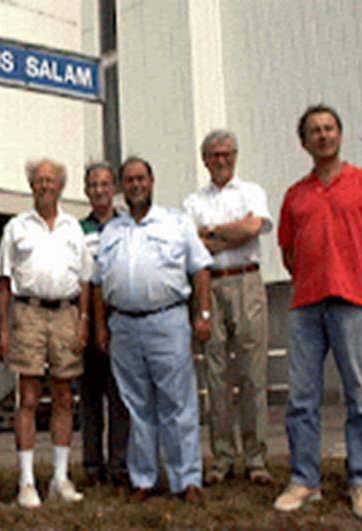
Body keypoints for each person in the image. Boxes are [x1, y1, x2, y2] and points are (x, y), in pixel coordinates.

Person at [274, 105, 362, 520]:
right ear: (304, 142)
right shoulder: (295, 194)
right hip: (306, 306)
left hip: (355, 304)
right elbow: (289, 252)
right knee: (302, 398)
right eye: (314, 131)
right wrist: (315, 277)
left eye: (329, 128)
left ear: (340, 135)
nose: (323, 136)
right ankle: (304, 479)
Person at [94, 156, 213, 506]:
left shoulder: (176, 222)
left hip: (168, 321)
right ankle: (143, 478)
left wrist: (202, 314)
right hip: (125, 326)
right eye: (128, 180)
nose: (135, 185)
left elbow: (201, 268)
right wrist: (101, 325)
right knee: (137, 406)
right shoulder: (111, 231)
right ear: (121, 187)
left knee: (178, 404)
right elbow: (99, 283)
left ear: (151, 181)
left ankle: (187, 479)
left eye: (140, 179)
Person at [0, 158, 93, 508]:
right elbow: (4, 281)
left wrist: (83, 320)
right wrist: (4, 328)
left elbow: (84, 279)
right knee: (29, 398)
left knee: (65, 397)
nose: (45, 186)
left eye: (51, 180)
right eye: (39, 180)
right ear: (31, 185)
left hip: (66, 314)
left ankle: (60, 478)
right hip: (29, 313)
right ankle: (26, 482)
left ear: (61, 186)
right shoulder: (16, 227)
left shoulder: (72, 227)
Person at [183, 130, 273, 486]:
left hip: (247, 282)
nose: (221, 160)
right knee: (216, 374)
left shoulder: (252, 192)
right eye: (214, 154)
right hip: (209, 286)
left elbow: (253, 228)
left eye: (227, 153)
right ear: (204, 159)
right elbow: (194, 245)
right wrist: (230, 234)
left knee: (253, 373)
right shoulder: (193, 201)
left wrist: (214, 232)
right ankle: (222, 458)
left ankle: (256, 458)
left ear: (235, 156)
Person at [79, 162, 129, 487]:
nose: (99, 190)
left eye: (105, 184)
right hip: (86, 314)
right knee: (90, 395)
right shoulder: (77, 228)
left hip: (120, 315)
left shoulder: (127, 225)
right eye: (93, 185)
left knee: (121, 396)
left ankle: (120, 466)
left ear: (114, 189)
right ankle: (92, 466)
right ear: (86, 191)